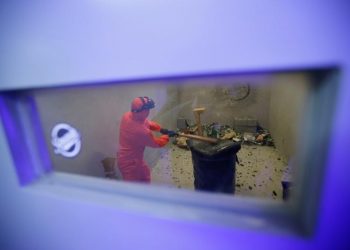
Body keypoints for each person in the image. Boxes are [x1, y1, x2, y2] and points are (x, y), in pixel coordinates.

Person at [117, 96, 170, 183]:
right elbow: (156, 143)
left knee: (145, 175)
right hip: (130, 164)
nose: (149, 112)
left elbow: (147, 122)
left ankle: (146, 192)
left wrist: (160, 129)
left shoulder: (127, 115)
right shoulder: (141, 131)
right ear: (142, 111)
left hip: (134, 159)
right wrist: (167, 136)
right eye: (147, 109)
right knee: (133, 189)